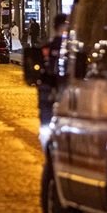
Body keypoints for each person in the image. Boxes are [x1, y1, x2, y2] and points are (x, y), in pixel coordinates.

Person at [37, 14, 69, 148]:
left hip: (47, 87)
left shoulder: (47, 48)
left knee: (46, 120)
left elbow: (40, 69)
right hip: (64, 89)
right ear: (64, 27)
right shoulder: (70, 50)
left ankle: (46, 143)